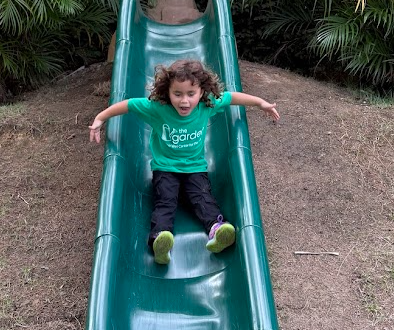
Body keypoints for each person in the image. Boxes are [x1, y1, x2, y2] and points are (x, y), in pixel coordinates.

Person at [89, 59, 279, 264]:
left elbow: (232, 97)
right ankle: (160, 239)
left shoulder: (207, 105)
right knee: (165, 200)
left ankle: (217, 230)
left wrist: (260, 103)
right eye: (177, 94)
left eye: (191, 94)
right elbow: (128, 105)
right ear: (167, 92)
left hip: (195, 167)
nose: (184, 101)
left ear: (202, 92)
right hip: (165, 167)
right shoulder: (158, 108)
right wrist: (100, 118)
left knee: (202, 197)